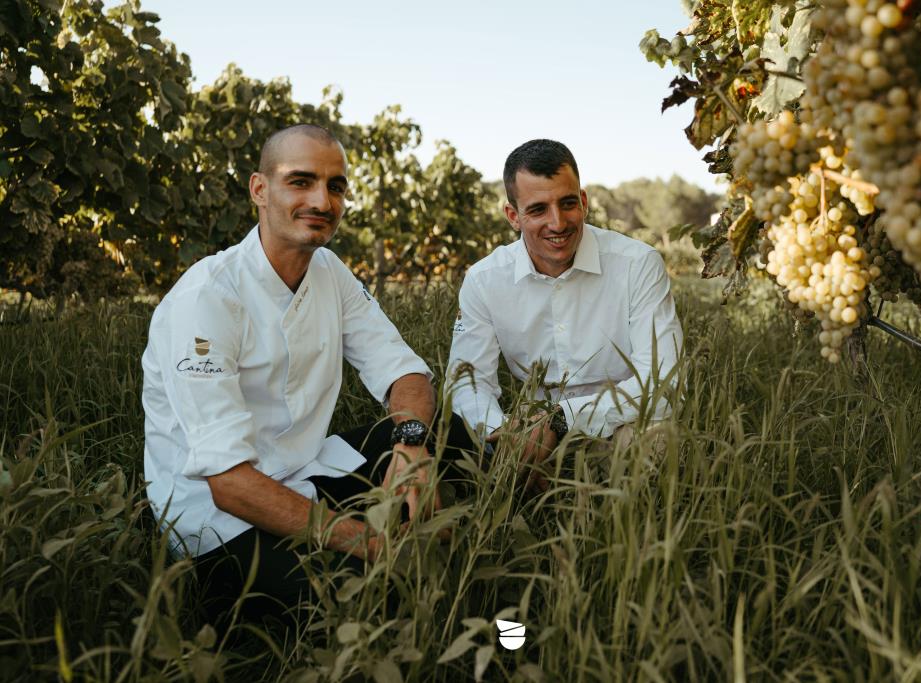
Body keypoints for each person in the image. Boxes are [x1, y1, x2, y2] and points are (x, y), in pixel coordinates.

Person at [142, 124, 469, 622]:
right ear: (260, 189)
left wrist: (411, 444)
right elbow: (228, 482)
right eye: (301, 181)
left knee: (448, 430)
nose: (322, 200)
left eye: (335, 186)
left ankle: (440, 532)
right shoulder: (206, 299)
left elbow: (405, 374)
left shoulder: (328, 272)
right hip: (218, 515)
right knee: (365, 604)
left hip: (302, 470)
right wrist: (365, 540)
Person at [445, 139, 683, 485]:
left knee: (652, 443)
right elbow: (467, 382)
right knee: (457, 462)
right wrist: (504, 434)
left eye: (568, 203)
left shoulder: (637, 265)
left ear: (583, 202)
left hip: (622, 422)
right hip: (527, 429)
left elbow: (664, 382)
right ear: (513, 216)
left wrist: (560, 419)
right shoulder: (484, 280)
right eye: (538, 209)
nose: (557, 223)